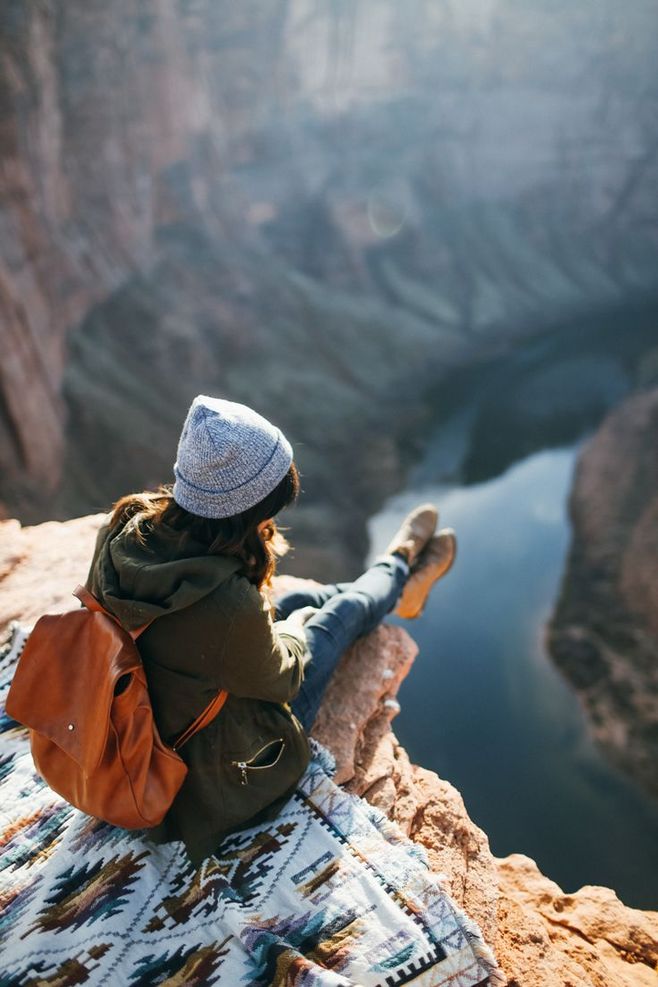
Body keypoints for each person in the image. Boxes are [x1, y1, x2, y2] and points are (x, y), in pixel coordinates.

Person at [84, 395, 456, 866]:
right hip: (197, 779)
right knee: (333, 615)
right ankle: (398, 566)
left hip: (134, 724)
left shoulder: (124, 527)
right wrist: (295, 630)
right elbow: (284, 680)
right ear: (246, 509)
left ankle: (389, 584)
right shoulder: (226, 604)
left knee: (300, 600)